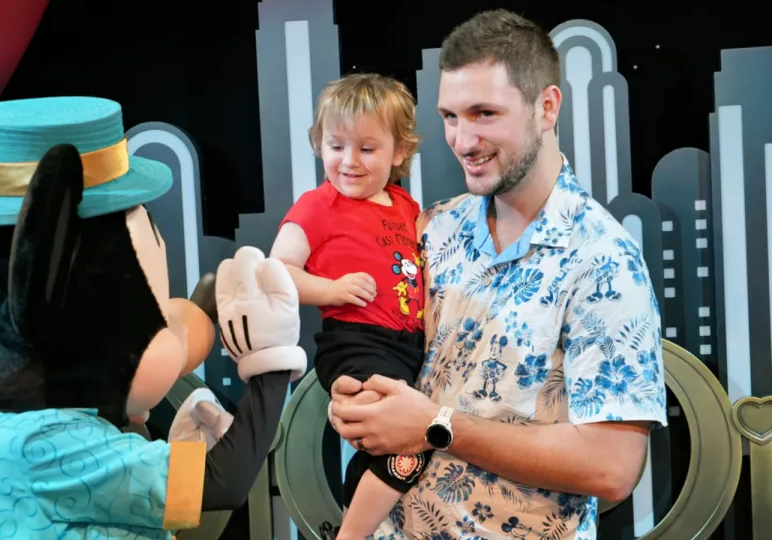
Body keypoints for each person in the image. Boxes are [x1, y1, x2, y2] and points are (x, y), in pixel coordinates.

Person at [327, 10, 668, 540]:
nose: (463, 140)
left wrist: (435, 426)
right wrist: (355, 400)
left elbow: (612, 467)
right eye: (451, 116)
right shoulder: (430, 228)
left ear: (547, 107)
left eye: (484, 113)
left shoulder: (603, 259)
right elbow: (384, 355)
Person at [269, 73, 431, 540]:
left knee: (393, 451)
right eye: (336, 146)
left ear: (399, 152)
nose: (349, 162)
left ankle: (367, 524)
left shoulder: (405, 205)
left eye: (366, 148)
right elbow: (276, 273)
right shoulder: (318, 206)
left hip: (408, 347)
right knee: (409, 446)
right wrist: (331, 290)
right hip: (355, 343)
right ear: (320, 144)